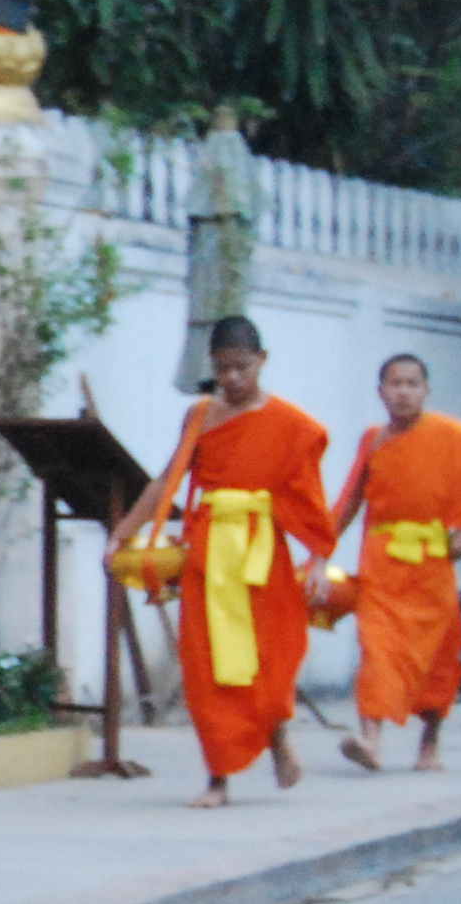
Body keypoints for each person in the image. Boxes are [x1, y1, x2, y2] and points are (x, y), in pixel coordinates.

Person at [111, 315, 330, 807]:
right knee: (206, 664)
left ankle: (275, 739)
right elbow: (167, 479)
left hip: (261, 556)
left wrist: (316, 560)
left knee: (268, 662)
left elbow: (309, 499)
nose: (231, 378)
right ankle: (218, 778)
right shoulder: (199, 416)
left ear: (263, 361)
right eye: (221, 368)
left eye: (241, 367)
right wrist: (123, 534)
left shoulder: (293, 425)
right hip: (208, 554)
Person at [313, 352, 461, 771]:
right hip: (383, 564)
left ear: (426, 390)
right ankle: (371, 740)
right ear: (381, 392)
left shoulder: (455, 437)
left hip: (432, 565)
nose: (403, 392)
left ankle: (429, 745)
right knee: (377, 650)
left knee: (437, 657)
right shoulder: (374, 440)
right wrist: (320, 556)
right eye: (394, 384)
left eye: (412, 383)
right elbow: (347, 503)